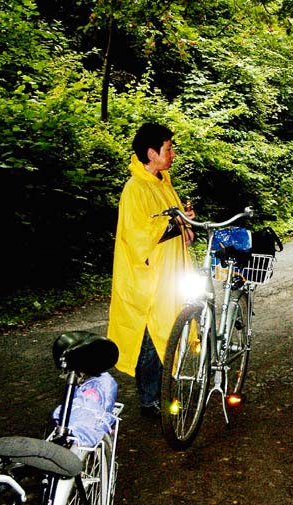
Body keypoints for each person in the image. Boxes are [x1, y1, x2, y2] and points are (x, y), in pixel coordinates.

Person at [107, 123, 196, 418]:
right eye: (168, 149)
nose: (173, 154)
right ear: (151, 153)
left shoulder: (163, 183)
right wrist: (175, 223)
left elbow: (178, 227)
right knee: (151, 336)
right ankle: (149, 399)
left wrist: (186, 223)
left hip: (171, 274)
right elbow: (138, 234)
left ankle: (162, 390)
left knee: (169, 330)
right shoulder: (135, 188)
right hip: (148, 277)